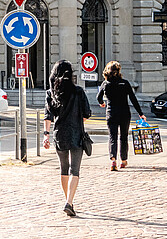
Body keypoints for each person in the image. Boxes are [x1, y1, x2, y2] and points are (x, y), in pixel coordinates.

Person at [44, 59, 92, 217]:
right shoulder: (78, 91)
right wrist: (77, 119)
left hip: (60, 134)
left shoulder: (51, 93)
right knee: (75, 170)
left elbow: (48, 116)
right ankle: (69, 202)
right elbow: (87, 114)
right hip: (76, 133)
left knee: (64, 168)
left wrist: (46, 135)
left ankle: (68, 201)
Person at [96, 61, 146, 171]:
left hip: (111, 113)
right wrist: (141, 113)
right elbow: (133, 99)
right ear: (119, 71)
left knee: (112, 137)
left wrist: (102, 103)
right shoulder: (125, 83)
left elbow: (98, 97)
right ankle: (123, 160)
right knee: (123, 137)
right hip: (124, 113)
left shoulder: (106, 84)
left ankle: (113, 160)